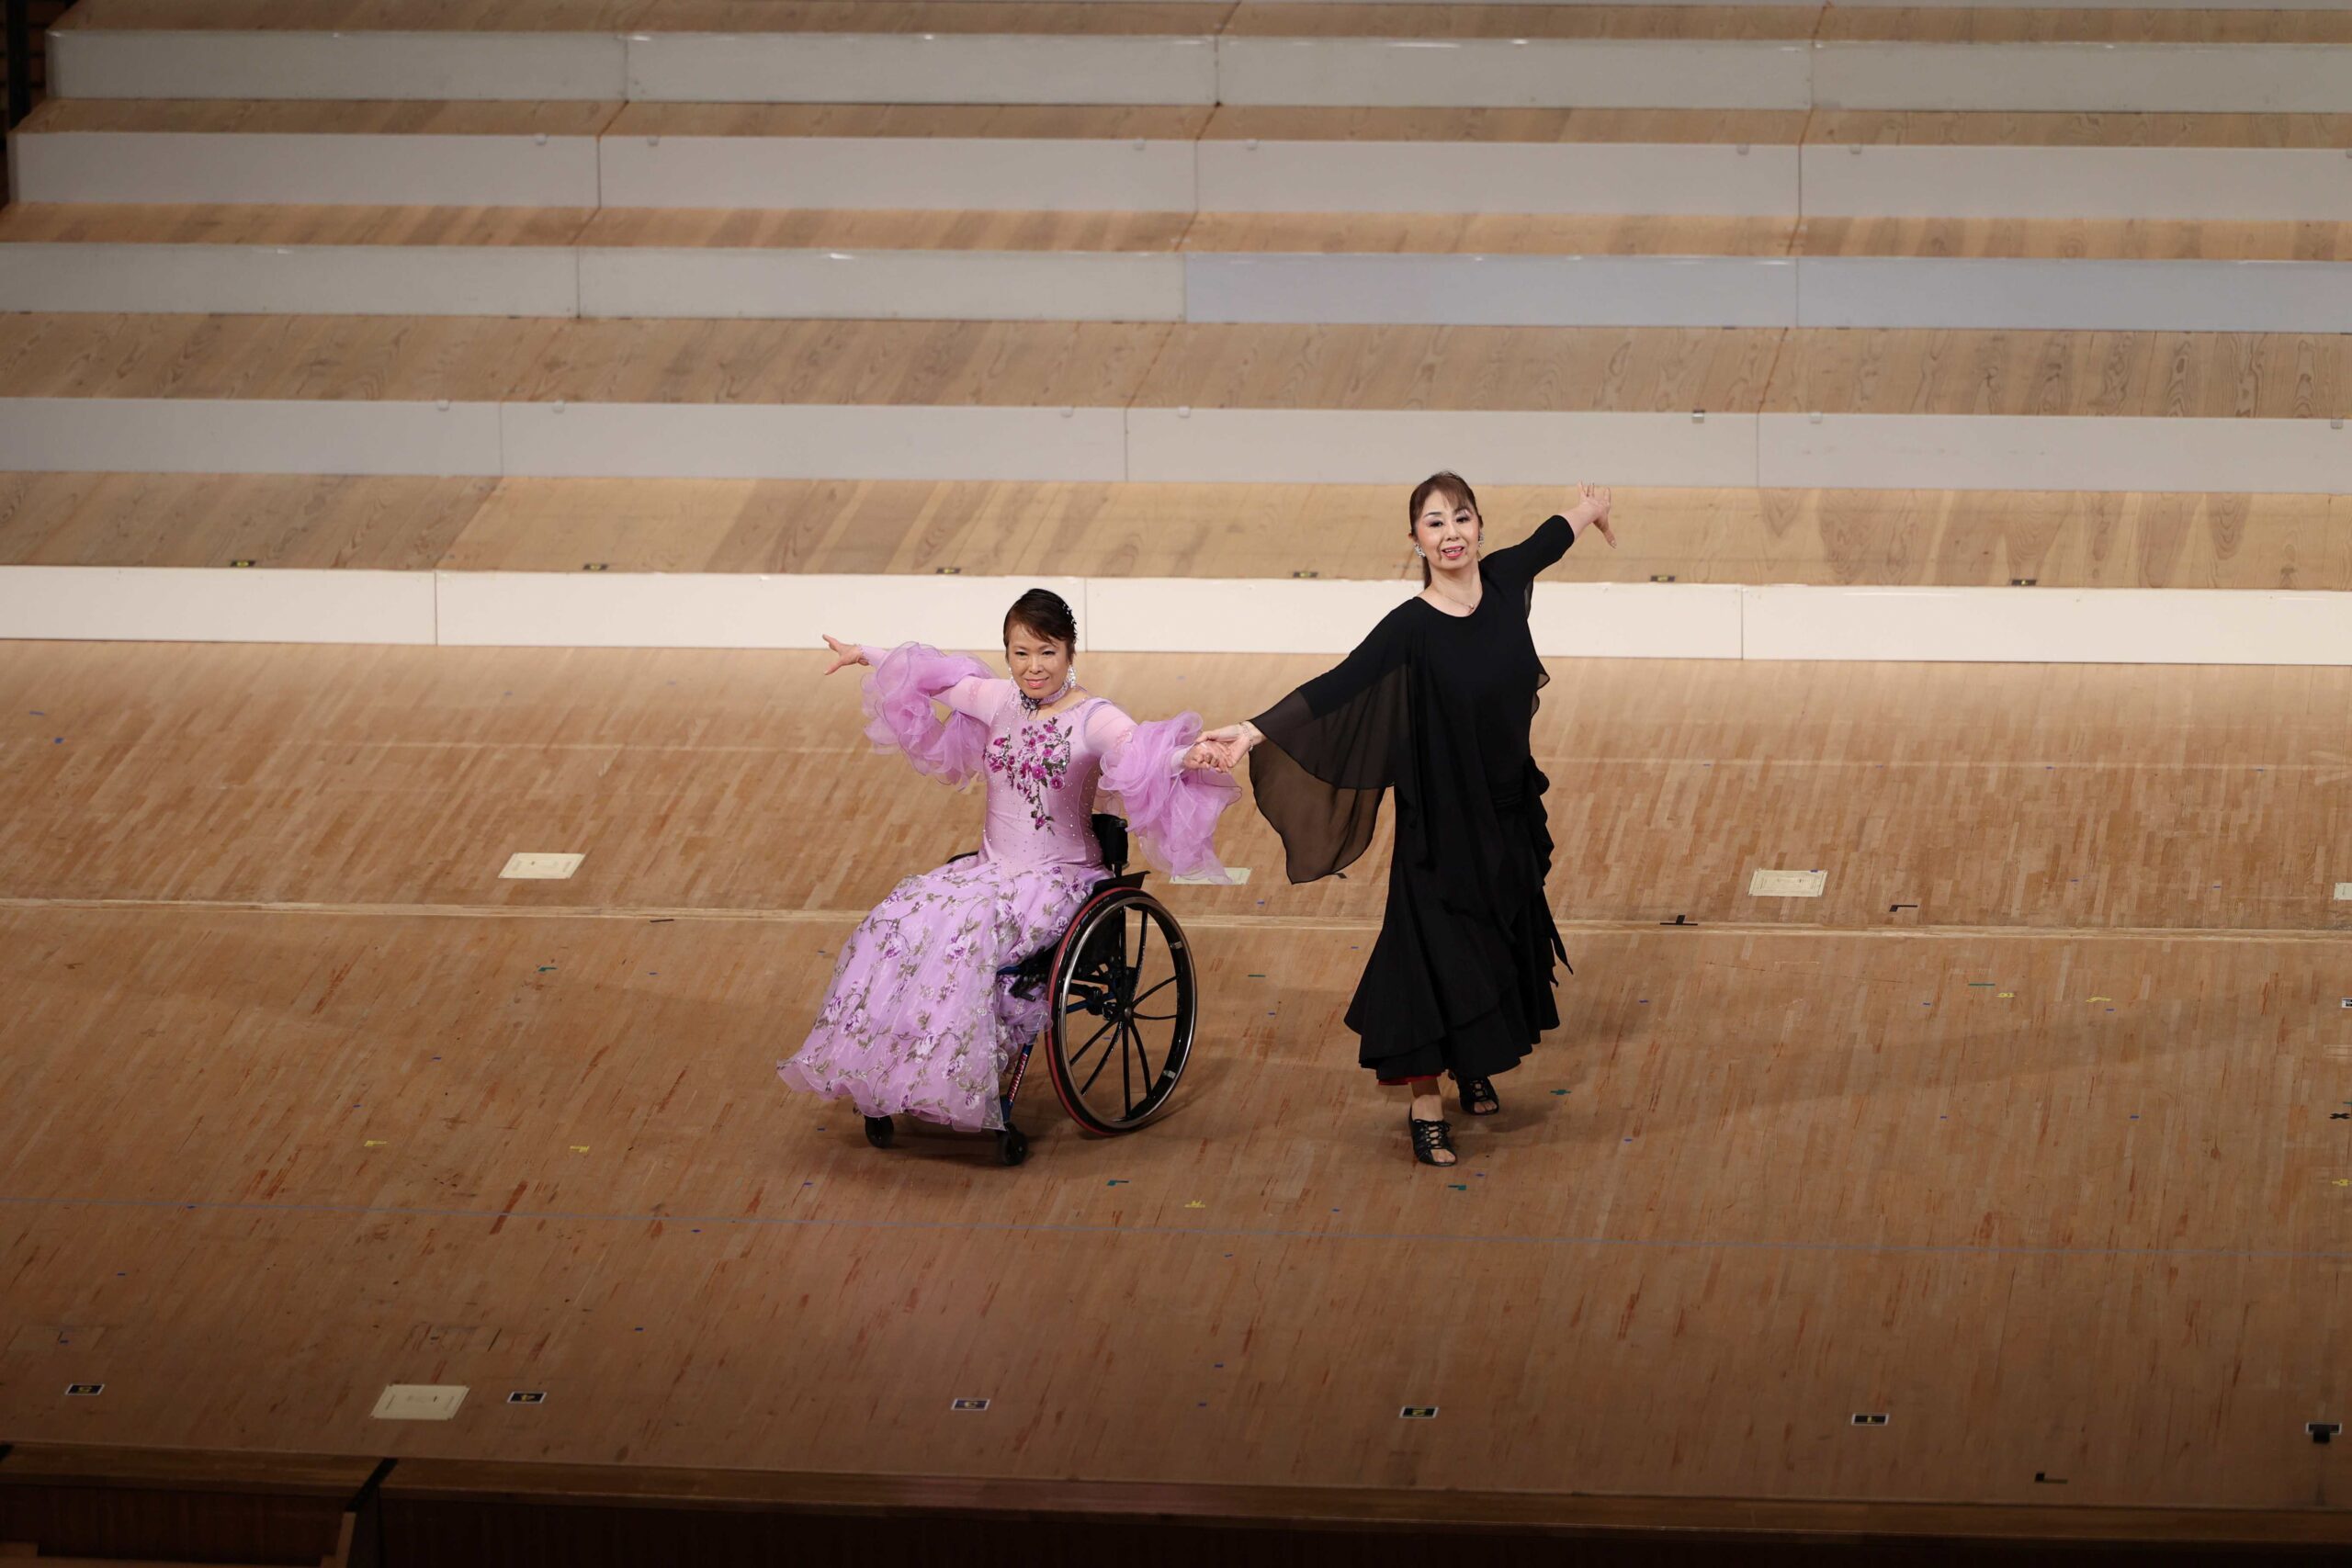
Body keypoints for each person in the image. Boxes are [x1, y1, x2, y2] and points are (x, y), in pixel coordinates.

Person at [1201, 476, 1617, 1167]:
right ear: (1416, 540)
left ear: (1479, 524)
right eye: (1434, 523)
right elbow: (1336, 685)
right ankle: (1426, 1108)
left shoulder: (1507, 577)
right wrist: (1251, 731)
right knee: (1429, 956)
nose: (1451, 532)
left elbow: (1552, 536)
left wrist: (1591, 509)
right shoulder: (1409, 628)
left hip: (1507, 808)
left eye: (1461, 517)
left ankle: (1472, 1063)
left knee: (1492, 943)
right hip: (1441, 820)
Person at [782, 589, 1238, 1135]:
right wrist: (866, 653)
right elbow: (935, 677)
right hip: (987, 873)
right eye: (1020, 653)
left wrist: (1185, 756)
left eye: (1046, 652)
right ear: (1007, 655)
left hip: (1057, 880)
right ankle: (890, 1078)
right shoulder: (999, 700)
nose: (1034, 667)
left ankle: (944, 1083)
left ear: (1070, 652)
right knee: (894, 922)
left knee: (965, 936)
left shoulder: (1095, 718)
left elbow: (1138, 749)